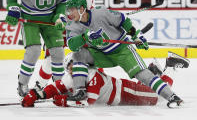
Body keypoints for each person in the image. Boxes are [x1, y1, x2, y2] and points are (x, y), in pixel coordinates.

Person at [62, 0, 184, 108]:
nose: (69, 13)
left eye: (71, 10)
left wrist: (135, 35)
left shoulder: (100, 12)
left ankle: (172, 96)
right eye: (68, 10)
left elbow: (123, 20)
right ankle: (80, 92)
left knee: (142, 74)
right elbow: (72, 45)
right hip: (101, 55)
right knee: (78, 54)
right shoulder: (72, 25)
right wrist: (85, 37)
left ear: (82, 8)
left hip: (122, 51)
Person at [21, 51, 189, 108]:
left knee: (156, 98)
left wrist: (64, 100)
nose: (72, 71)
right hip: (121, 94)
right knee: (152, 93)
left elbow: (89, 101)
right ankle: (153, 71)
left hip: (125, 92)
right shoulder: (72, 77)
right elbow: (54, 88)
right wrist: (36, 95)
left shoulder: (92, 74)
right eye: (69, 68)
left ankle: (171, 65)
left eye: (74, 66)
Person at [5, 0, 70, 97]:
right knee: (33, 51)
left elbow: (62, 1)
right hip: (29, 20)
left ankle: (60, 87)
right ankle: (23, 83)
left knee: (58, 53)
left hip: (50, 20)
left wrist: (60, 15)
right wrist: (13, 8)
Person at [35, 0, 95, 91]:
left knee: (91, 55)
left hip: (78, 29)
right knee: (51, 60)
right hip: (59, 30)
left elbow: (90, 12)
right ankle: (39, 87)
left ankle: (94, 84)